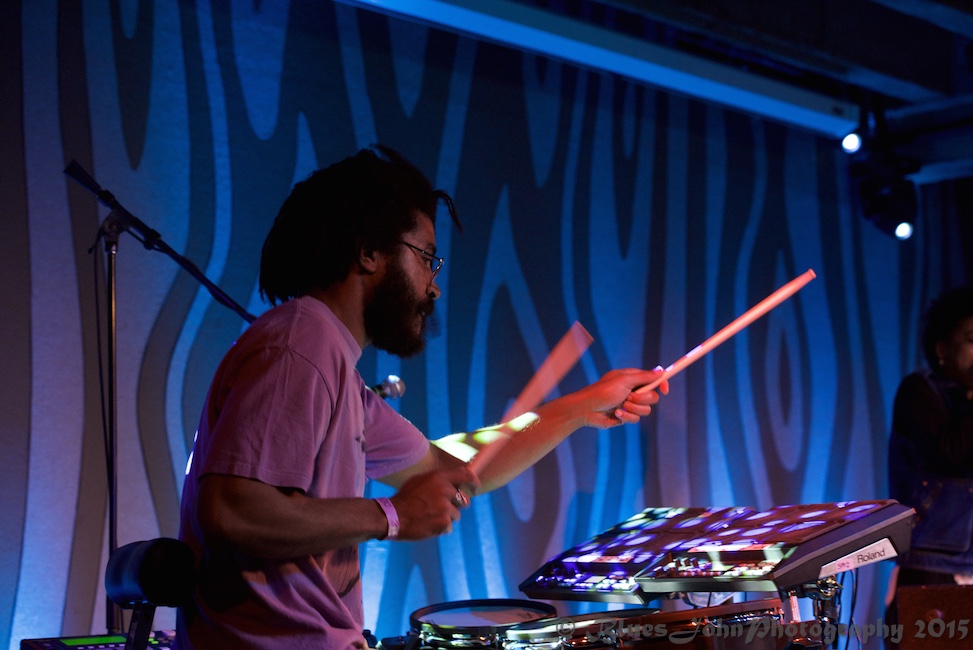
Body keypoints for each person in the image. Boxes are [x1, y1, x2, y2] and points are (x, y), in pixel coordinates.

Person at [175, 144, 669, 650]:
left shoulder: (333, 366)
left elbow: (451, 465)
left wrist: (579, 407)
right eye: (428, 259)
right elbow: (232, 512)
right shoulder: (302, 341)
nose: (434, 287)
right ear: (369, 251)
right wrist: (392, 516)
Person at [887, 284, 973, 623]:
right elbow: (954, 453)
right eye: (972, 338)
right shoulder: (920, 392)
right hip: (933, 567)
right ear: (941, 348)